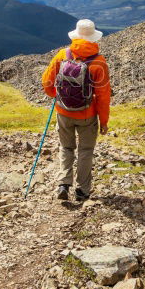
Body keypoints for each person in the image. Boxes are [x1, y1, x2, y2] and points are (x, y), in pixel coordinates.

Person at [41, 19, 111, 201]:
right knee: (86, 150)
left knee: (66, 147)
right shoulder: (99, 63)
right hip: (87, 114)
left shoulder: (62, 55)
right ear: (94, 38)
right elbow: (103, 97)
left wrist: (57, 96)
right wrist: (103, 121)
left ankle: (63, 183)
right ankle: (82, 190)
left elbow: (47, 83)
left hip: (63, 111)